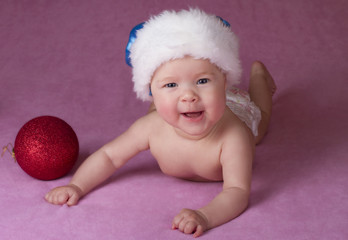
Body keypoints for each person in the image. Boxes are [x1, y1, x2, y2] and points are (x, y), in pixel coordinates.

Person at [45, 8, 276, 237]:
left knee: (260, 119)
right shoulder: (150, 127)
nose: (189, 95)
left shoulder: (234, 136)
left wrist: (205, 216)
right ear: (150, 91)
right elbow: (109, 155)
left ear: (225, 82)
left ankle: (259, 78)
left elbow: (237, 191)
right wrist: (77, 186)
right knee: (165, 110)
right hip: (188, 107)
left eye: (202, 80)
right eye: (171, 84)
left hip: (237, 109)